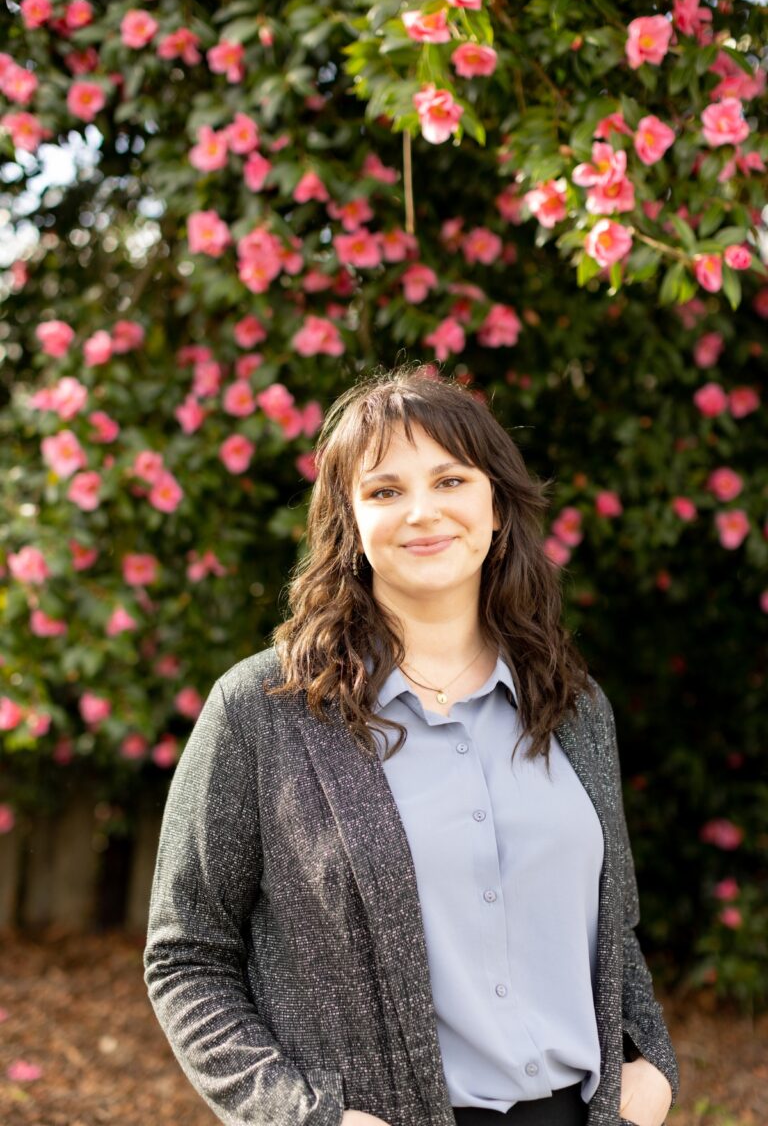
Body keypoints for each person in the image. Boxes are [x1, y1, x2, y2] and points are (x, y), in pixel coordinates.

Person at [144, 367, 679, 1126]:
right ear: (350, 523)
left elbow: (613, 928)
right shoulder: (262, 713)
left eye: (451, 480)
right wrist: (304, 1118)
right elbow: (186, 956)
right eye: (385, 490)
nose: (423, 513)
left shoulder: (574, 707)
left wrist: (649, 1063)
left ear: (496, 508)